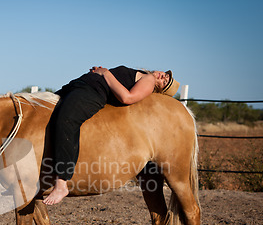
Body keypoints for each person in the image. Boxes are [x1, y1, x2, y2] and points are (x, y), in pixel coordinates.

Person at [42, 65, 180, 205]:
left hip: (93, 91)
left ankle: (61, 184)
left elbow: (127, 97)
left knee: (67, 120)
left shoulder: (149, 81)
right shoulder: (143, 74)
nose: (164, 77)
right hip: (81, 85)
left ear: (159, 89)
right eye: (166, 75)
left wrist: (106, 73)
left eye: (165, 82)